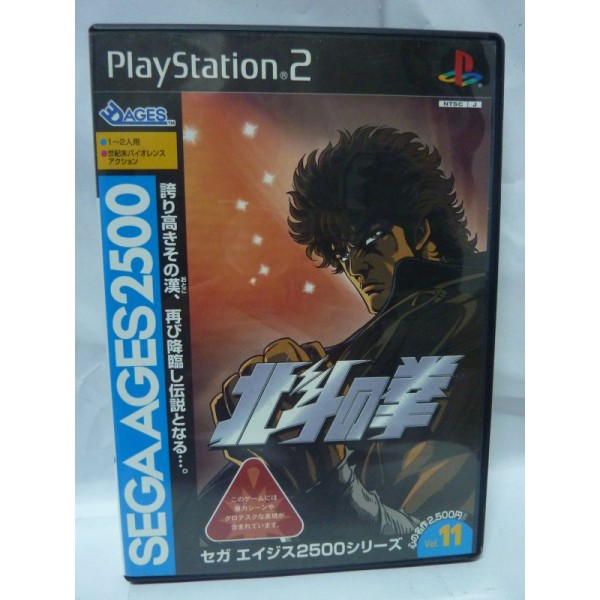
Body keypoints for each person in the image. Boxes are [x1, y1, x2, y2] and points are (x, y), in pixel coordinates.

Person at [202, 125, 490, 542]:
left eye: (369, 241)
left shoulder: (462, 321)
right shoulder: (380, 338)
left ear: (423, 229)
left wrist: (327, 483)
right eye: (341, 255)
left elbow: (433, 533)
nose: (356, 267)